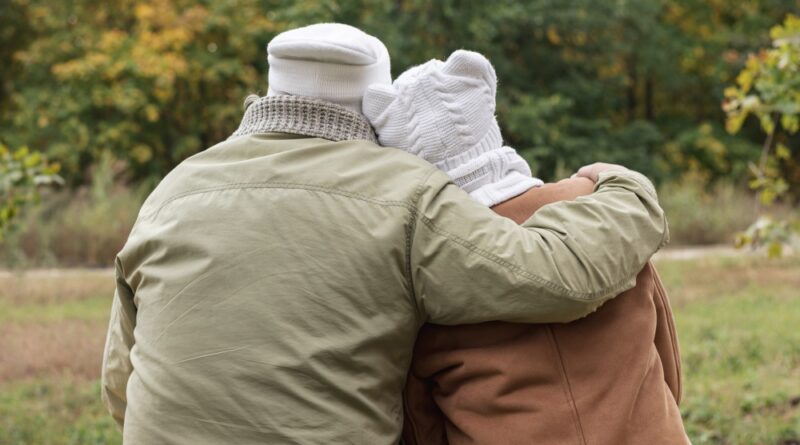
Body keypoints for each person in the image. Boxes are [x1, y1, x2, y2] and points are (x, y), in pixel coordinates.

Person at [101, 24, 668, 444]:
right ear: (377, 98)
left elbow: (120, 383)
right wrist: (625, 188)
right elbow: (553, 278)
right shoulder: (406, 191)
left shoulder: (171, 191)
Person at [363, 50, 689, 444]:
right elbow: (666, 355)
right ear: (489, 128)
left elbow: (421, 423)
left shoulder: (425, 264)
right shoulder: (599, 210)